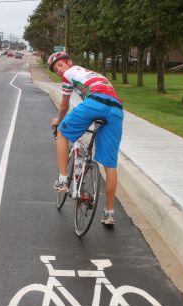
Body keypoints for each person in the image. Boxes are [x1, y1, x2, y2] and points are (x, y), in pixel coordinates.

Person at [48, 51, 124, 226]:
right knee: (110, 164)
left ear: (69, 63)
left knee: (61, 132)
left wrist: (58, 120)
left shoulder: (69, 73)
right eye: (55, 69)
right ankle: (109, 213)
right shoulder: (95, 75)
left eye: (60, 65)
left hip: (95, 101)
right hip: (116, 109)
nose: (59, 70)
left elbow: (64, 104)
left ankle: (62, 179)